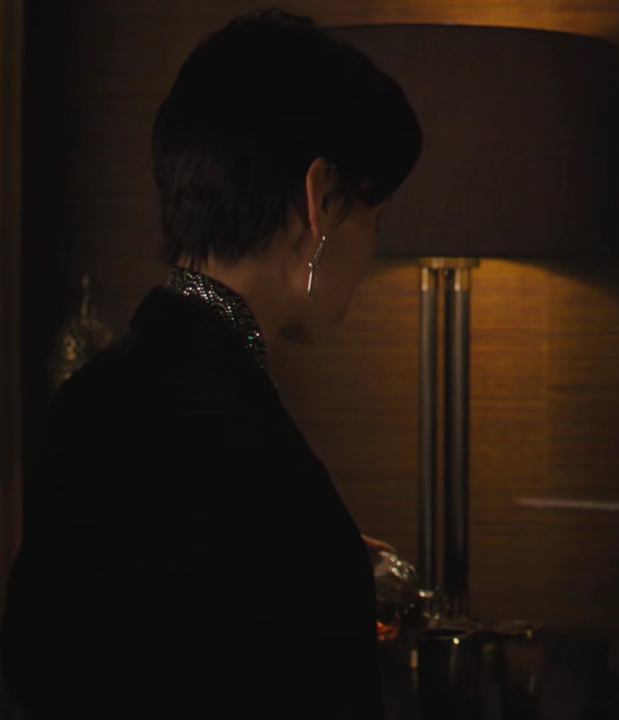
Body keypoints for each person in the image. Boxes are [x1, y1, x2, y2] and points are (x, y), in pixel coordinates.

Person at [1, 9, 421, 718]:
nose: (373, 248)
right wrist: (318, 565)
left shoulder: (92, 398)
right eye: (375, 216)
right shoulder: (252, 460)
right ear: (321, 199)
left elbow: (38, 657)